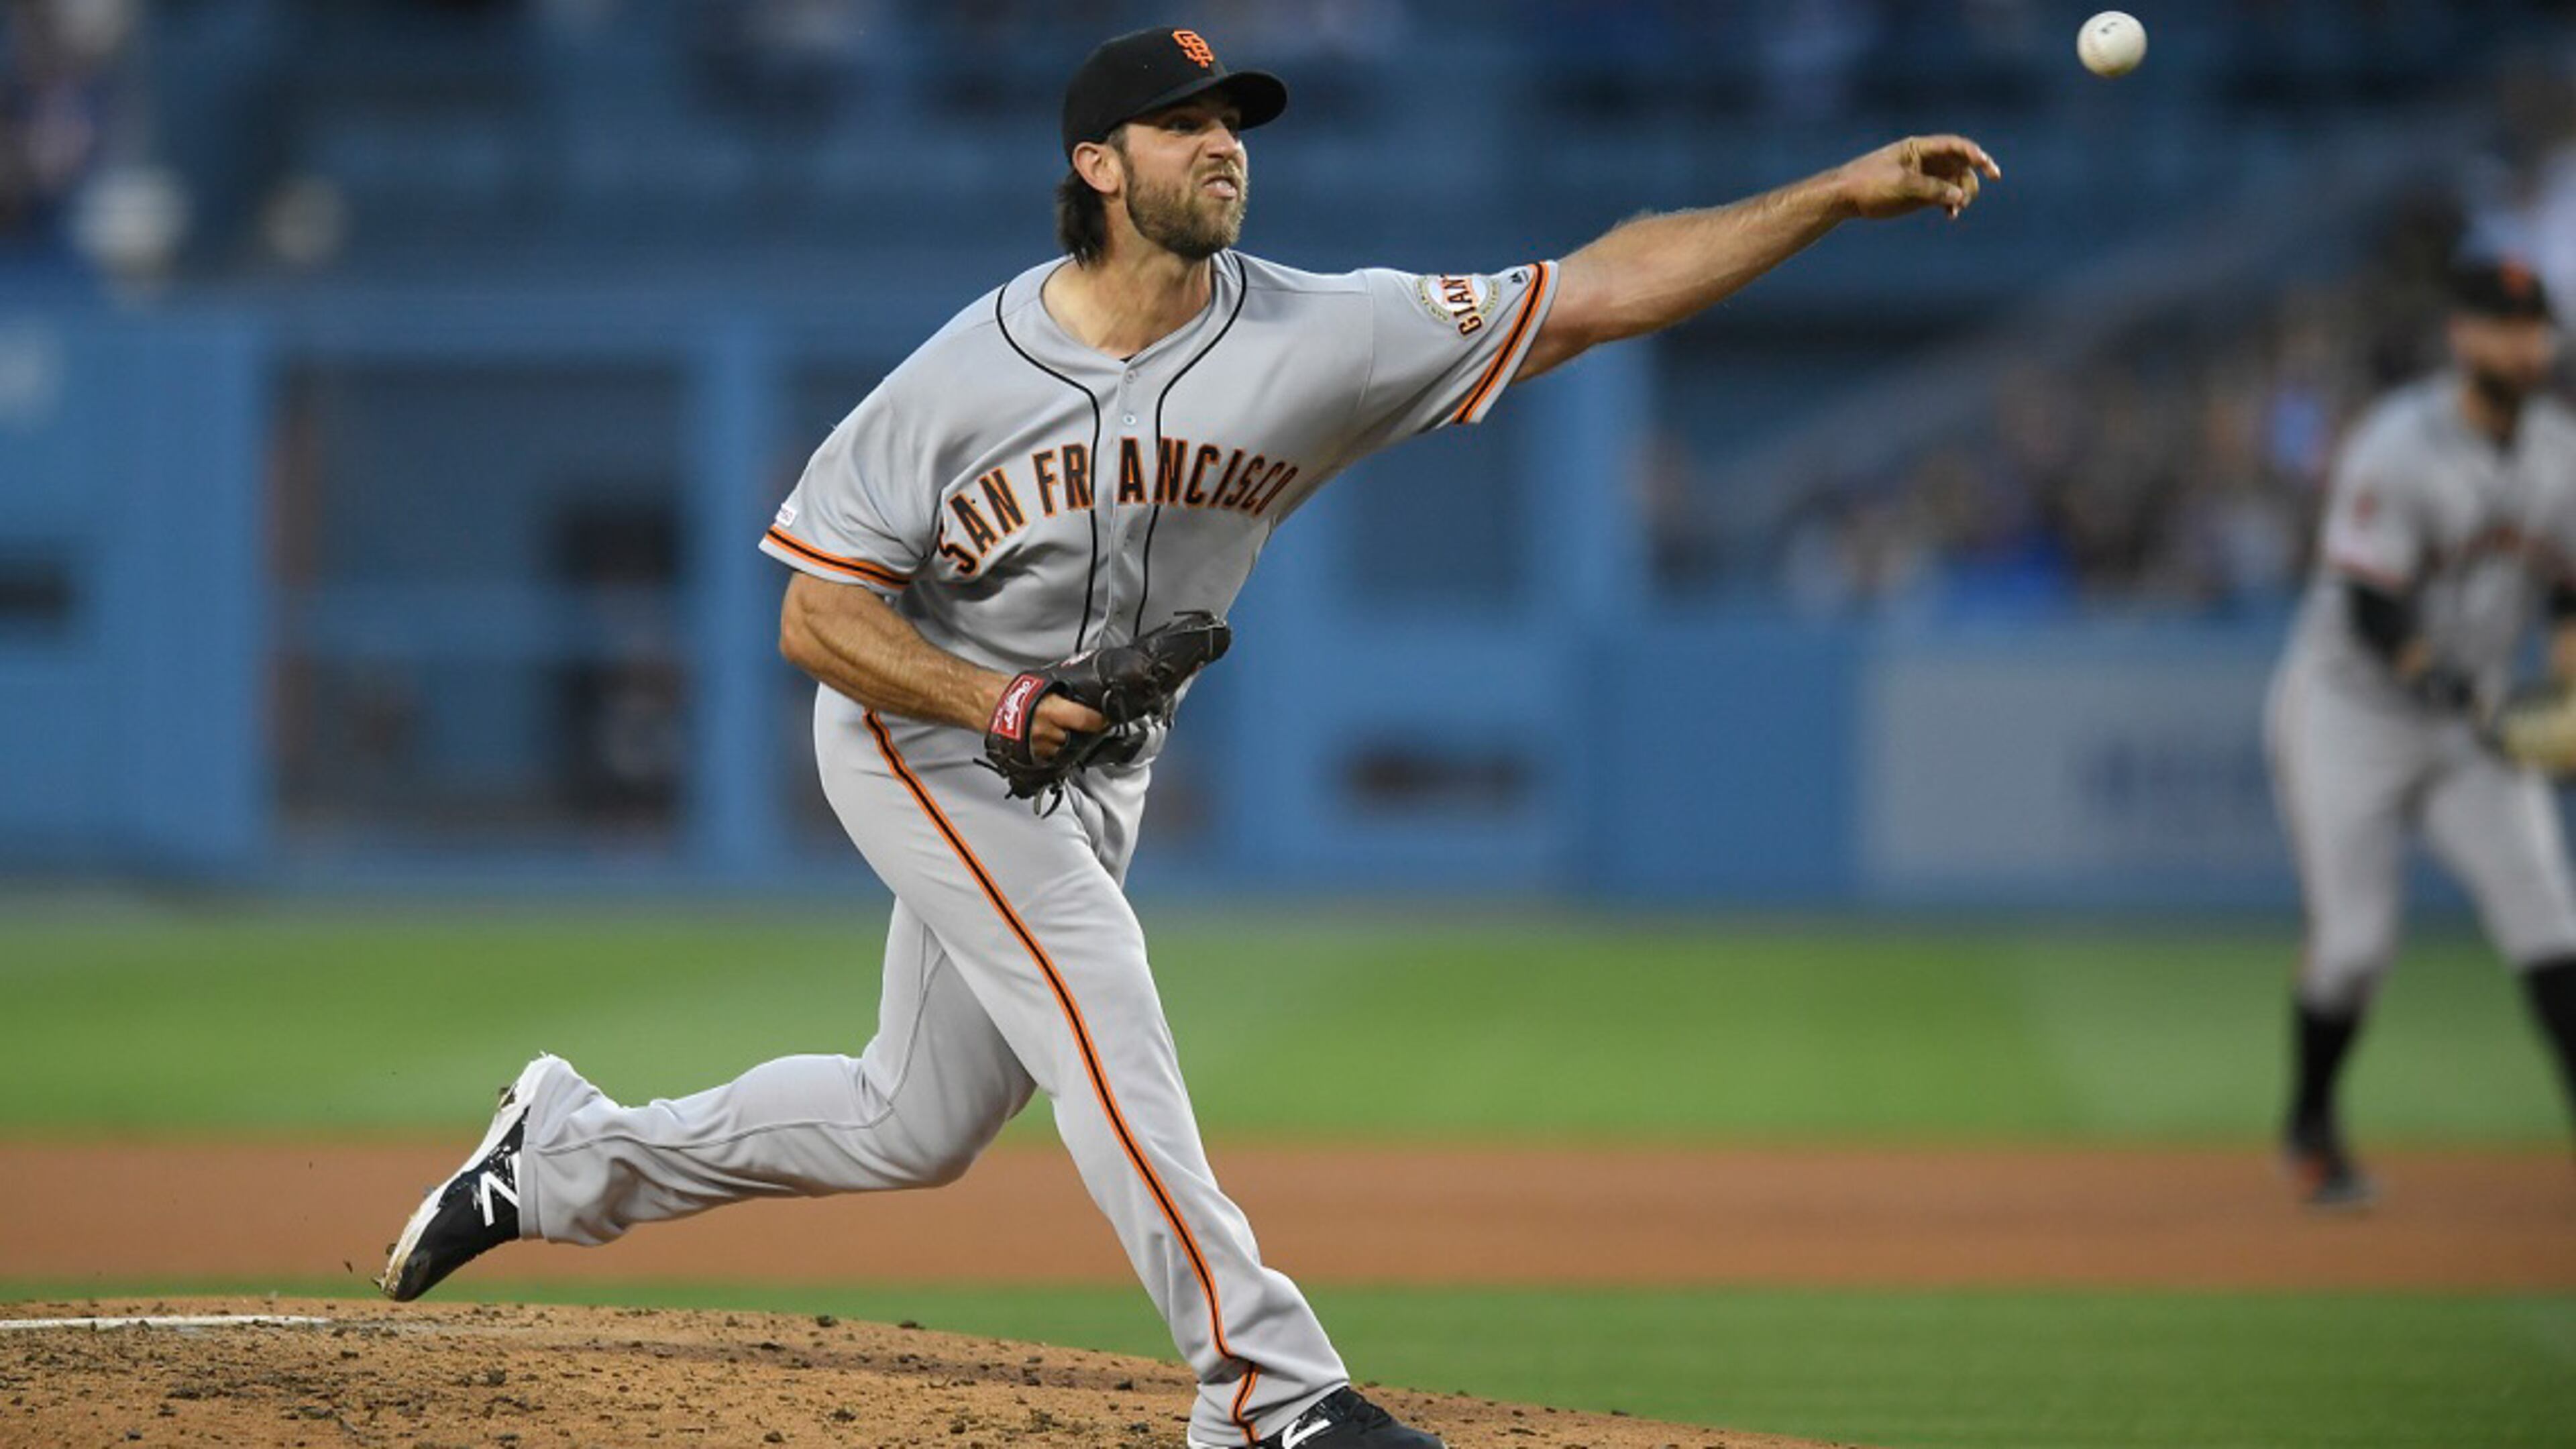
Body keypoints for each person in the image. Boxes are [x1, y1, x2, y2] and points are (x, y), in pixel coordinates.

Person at [376, 26, 1999, 1448]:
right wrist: (994, 701)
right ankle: (1266, 1387)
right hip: (922, 742)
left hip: (1089, 773)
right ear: (1098, 163)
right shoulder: (958, 375)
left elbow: (1586, 294)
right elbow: (814, 619)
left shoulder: (1323, 332)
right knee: (1102, 1000)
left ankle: (558, 1160)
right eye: (1190, 121)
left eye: (1239, 120)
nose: (1228, 143)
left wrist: (1822, 197)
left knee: (911, 1124)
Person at [2266, 254, 2576, 1210]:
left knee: (2553, 931)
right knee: (2355, 947)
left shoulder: (2563, 452)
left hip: (2474, 724)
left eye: (2534, 326)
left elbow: (2568, 590)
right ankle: (2311, 1122)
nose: (2521, 342)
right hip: (2349, 711)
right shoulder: (2397, 444)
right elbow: (2368, 607)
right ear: (2462, 337)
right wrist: (2454, 690)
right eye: (2501, 324)